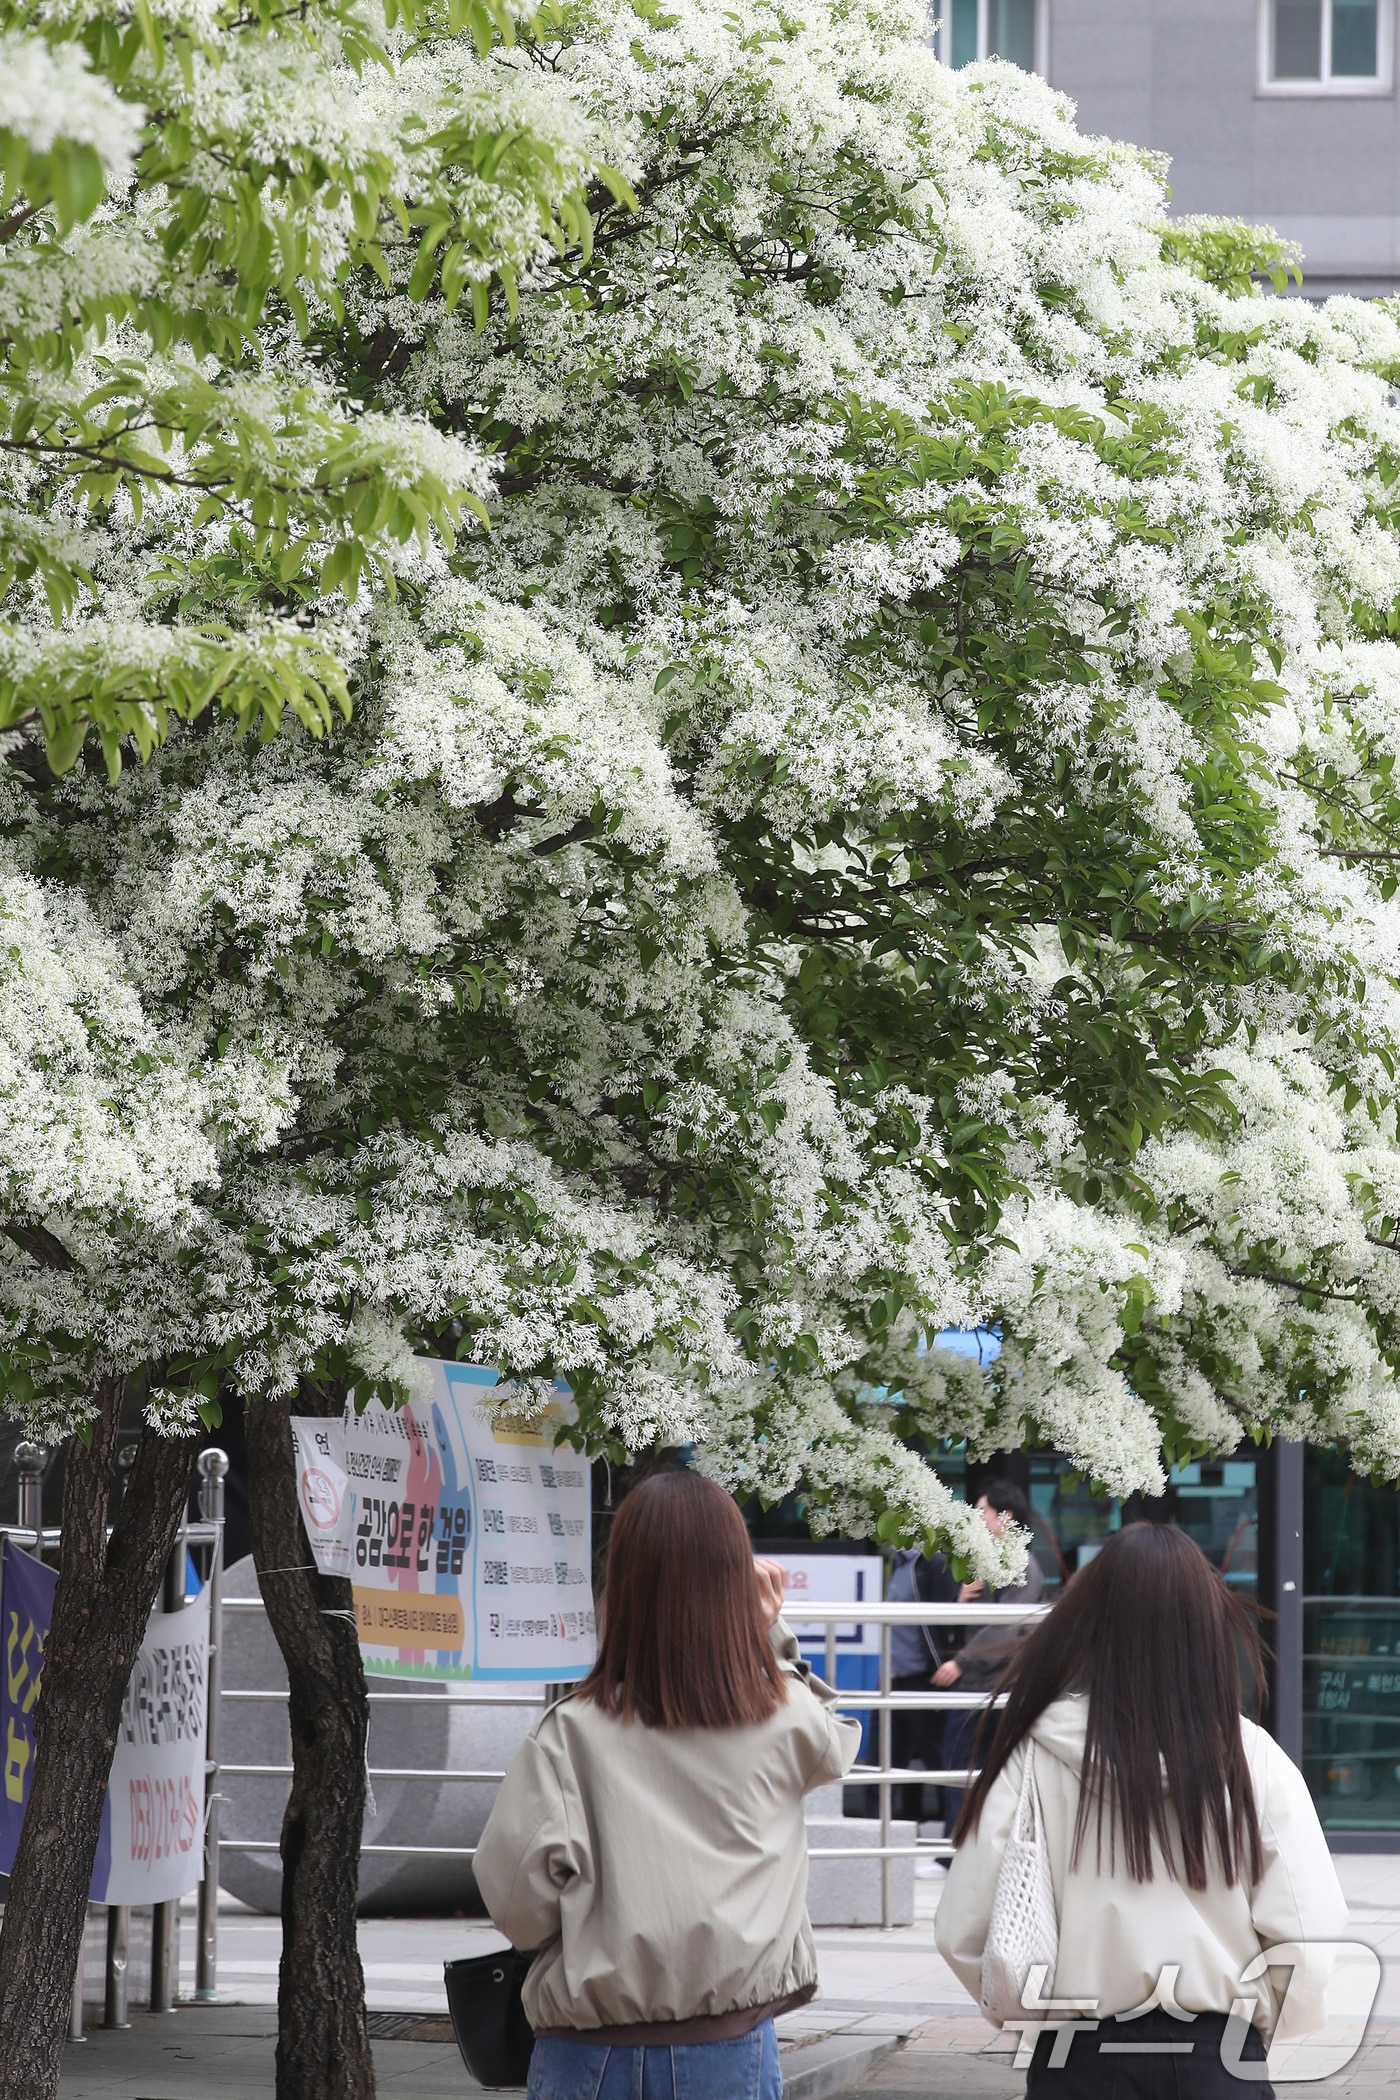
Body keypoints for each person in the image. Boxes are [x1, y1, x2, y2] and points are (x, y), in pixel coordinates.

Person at [474, 1470, 863, 2100]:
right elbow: (836, 1743)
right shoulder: (786, 1716)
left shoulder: (569, 1732)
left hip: (589, 2051)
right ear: (736, 1583)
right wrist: (769, 1636)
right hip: (729, 2045)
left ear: (622, 1585)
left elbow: (516, 1901)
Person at [934, 1523, 1348, 2098]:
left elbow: (966, 1926)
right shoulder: (1252, 1758)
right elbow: (1309, 1929)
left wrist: (1031, 2014)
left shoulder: (1035, 1752)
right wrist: (1261, 2022)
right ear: (1206, 1629)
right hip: (1218, 2057)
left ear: (1089, 1625)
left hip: (1075, 2060)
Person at [935, 1482, 1046, 1824]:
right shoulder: (983, 1561)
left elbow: (1008, 1626)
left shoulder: (1024, 1565)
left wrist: (962, 1661)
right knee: (959, 1766)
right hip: (978, 1686)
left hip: (1001, 1687)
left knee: (976, 1768)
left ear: (1006, 1517)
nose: (976, 1517)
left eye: (983, 1510)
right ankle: (955, 1850)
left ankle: (961, 1850)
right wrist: (960, 1601)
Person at [887, 1545, 960, 1823]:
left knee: (936, 1760)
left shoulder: (931, 1562)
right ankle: (880, 1827)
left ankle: (951, 1834)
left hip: (925, 1678)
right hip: (895, 1680)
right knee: (884, 1761)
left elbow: (946, 1621)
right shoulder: (898, 1564)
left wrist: (946, 1665)